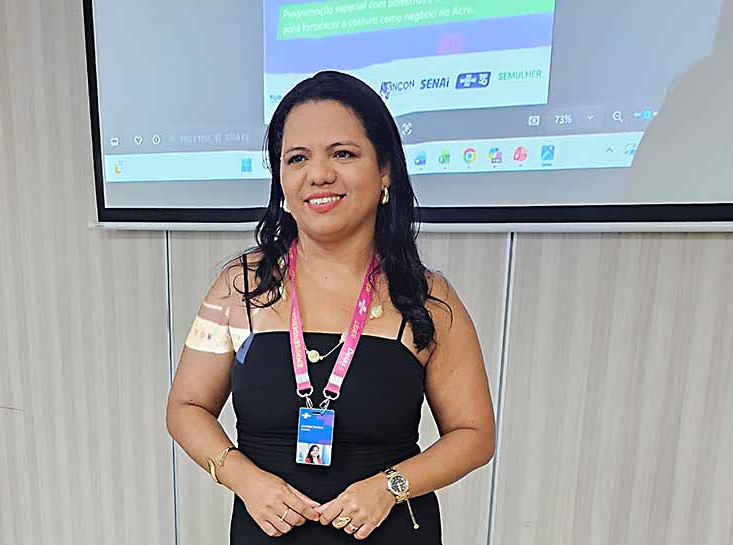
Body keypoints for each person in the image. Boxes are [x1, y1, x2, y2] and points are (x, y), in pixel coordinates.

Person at [167, 71, 495, 544]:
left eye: (342, 153)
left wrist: (390, 487)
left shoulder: (427, 298)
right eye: (297, 158)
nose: (318, 174)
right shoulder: (239, 288)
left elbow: (474, 434)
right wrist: (245, 479)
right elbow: (186, 407)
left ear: (385, 170)